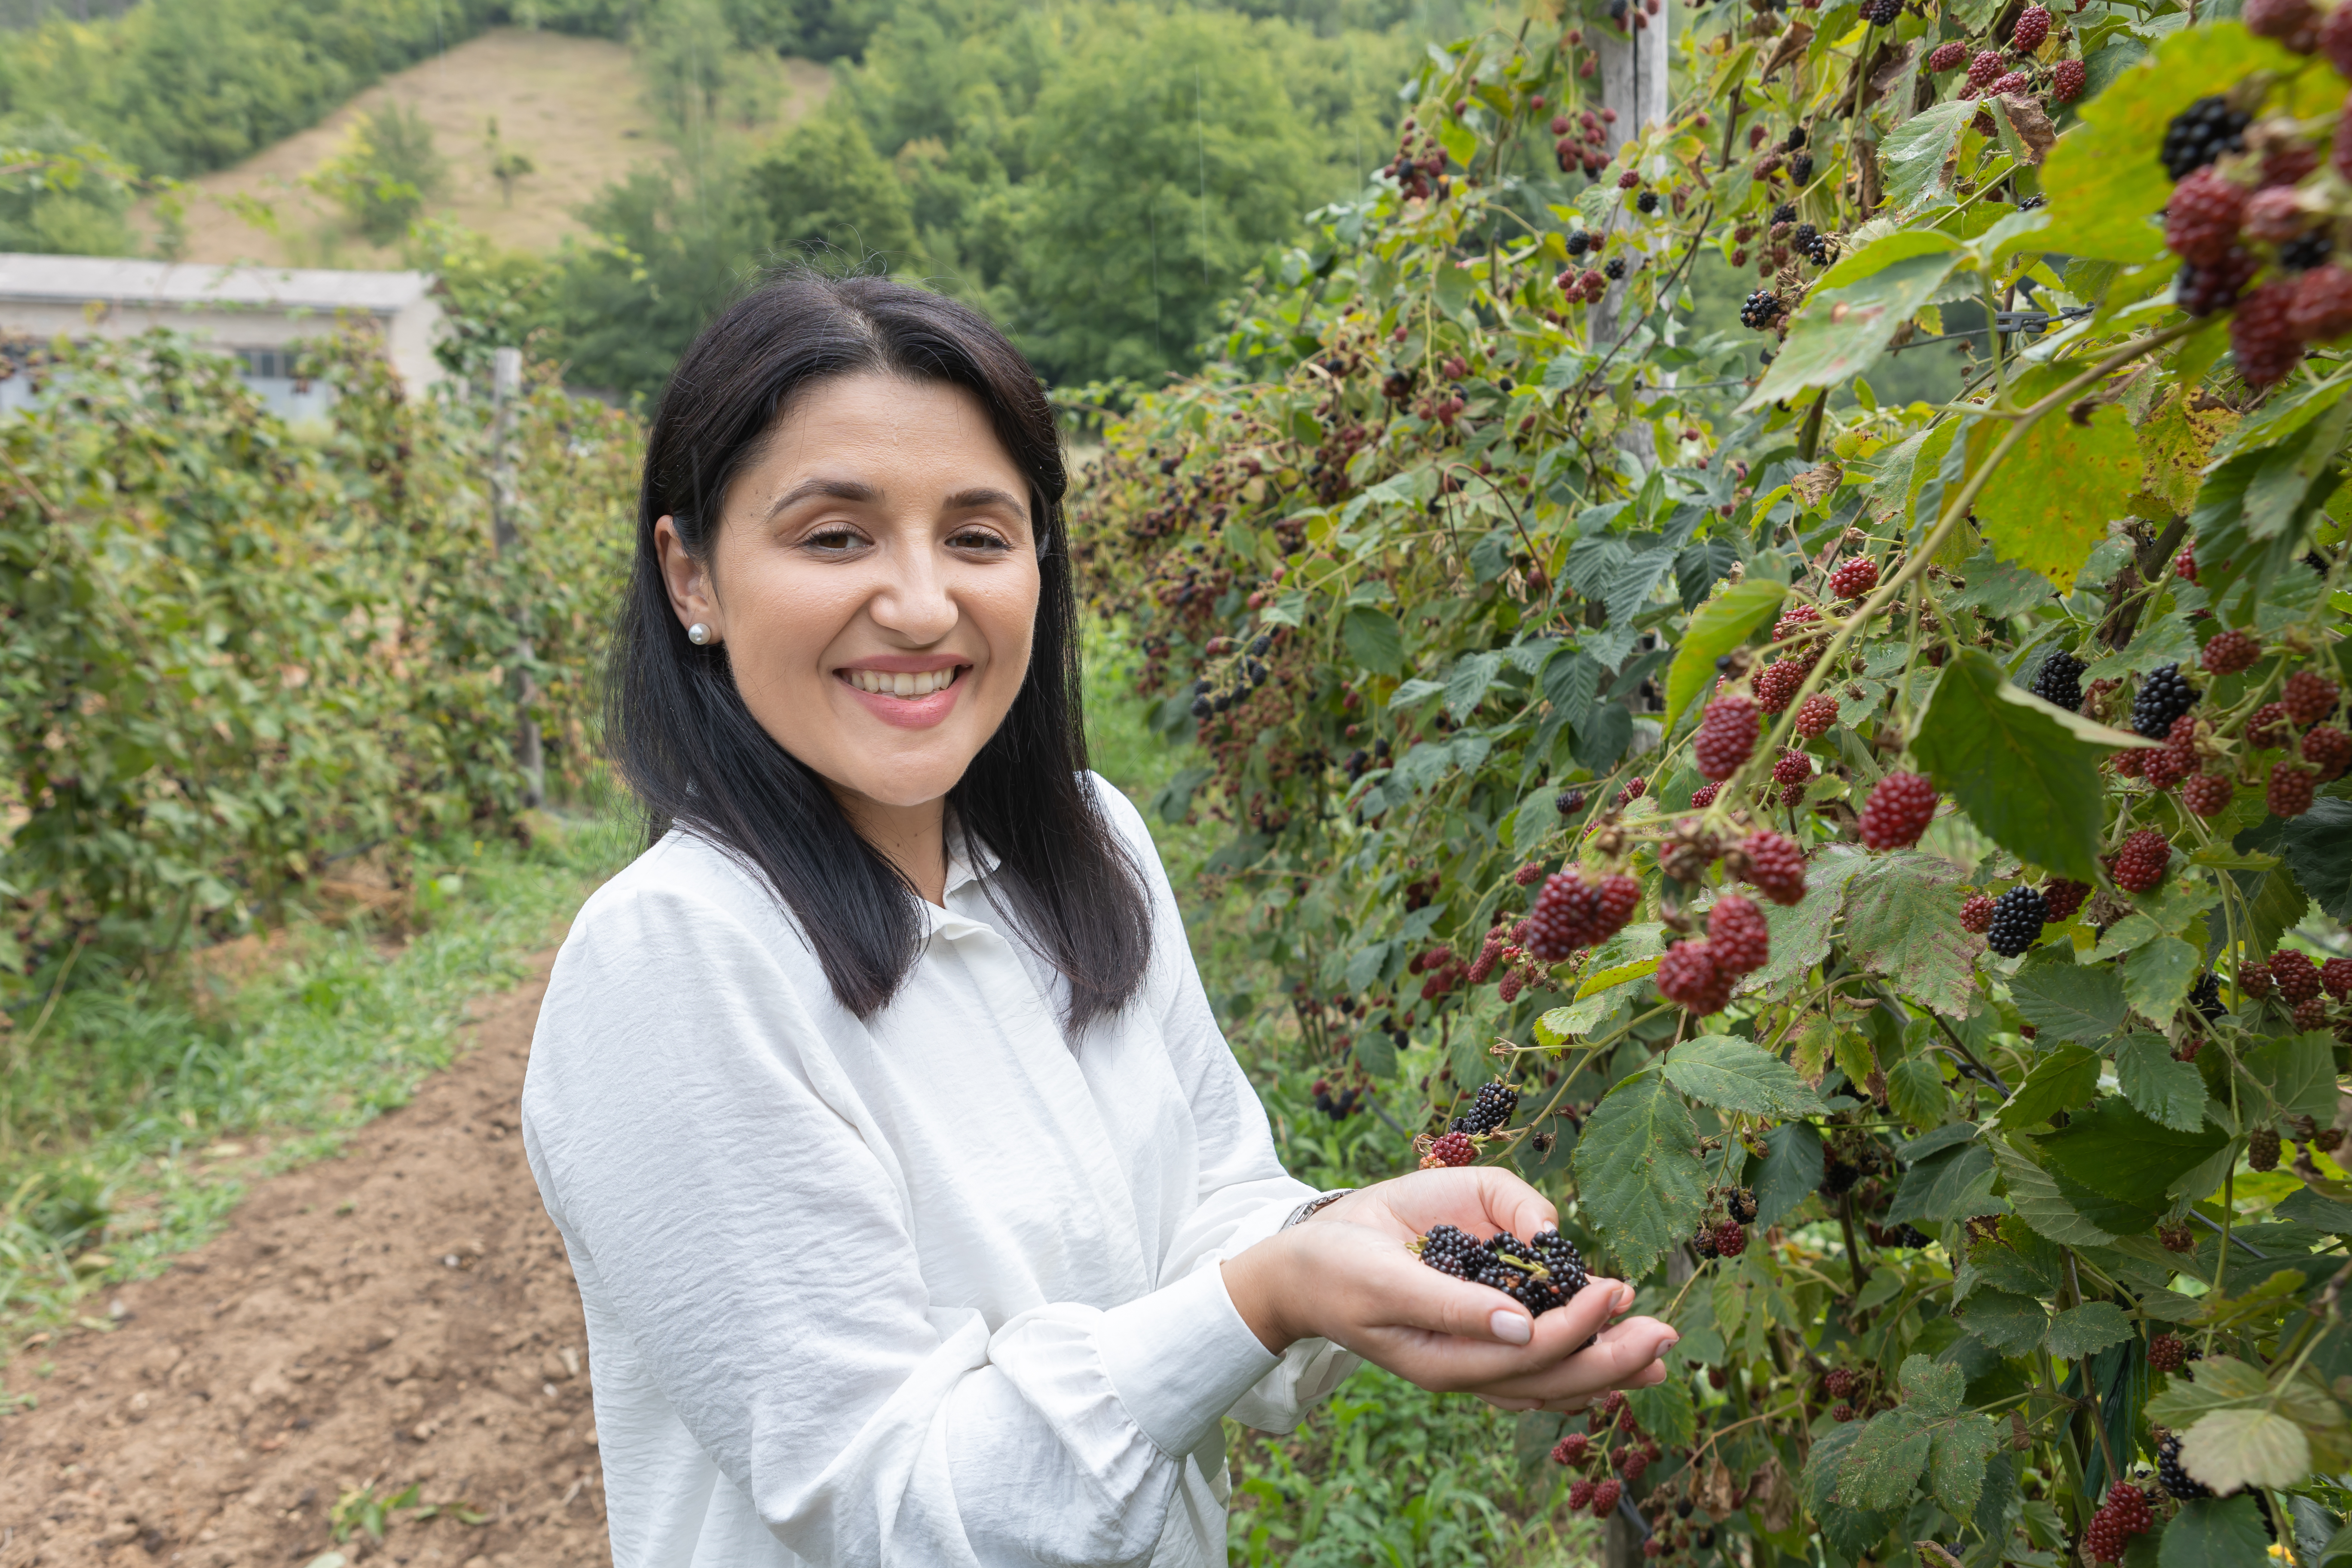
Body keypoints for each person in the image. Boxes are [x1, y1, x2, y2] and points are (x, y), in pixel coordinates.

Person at [521, 274, 1678, 1568]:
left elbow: (1209, 1206)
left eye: (976, 535)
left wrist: (1337, 1246)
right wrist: (1268, 1297)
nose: (918, 604)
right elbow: (898, 1507)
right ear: (693, 575)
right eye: (834, 537)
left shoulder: (1083, 843)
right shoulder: (679, 961)